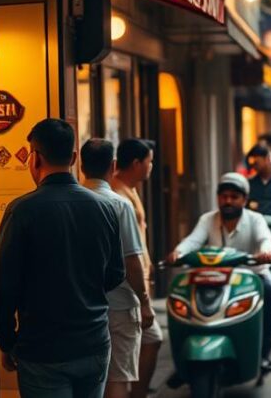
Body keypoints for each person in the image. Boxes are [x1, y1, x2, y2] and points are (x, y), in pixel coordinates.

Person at [0, 119, 125, 398]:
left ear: (35, 158)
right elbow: (116, 273)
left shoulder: (21, 211)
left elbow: (5, 284)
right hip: (94, 343)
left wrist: (6, 341)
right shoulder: (105, 208)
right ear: (74, 157)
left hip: (42, 349)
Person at [168, 173, 271, 371]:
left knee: (270, 291)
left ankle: (265, 352)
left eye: (234, 197)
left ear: (244, 200)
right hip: (213, 277)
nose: (228, 201)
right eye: (224, 196)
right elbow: (193, 241)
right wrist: (178, 252)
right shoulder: (207, 219)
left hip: (250, 277)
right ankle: (183, 361)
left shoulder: (256, 219)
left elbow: (266, 240)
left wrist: (266, 252)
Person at [80, 139, 153, 398]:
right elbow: (132, 260)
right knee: (118, 376)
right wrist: (144, 301)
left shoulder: (74, 202)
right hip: (120, 304)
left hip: (83, 306)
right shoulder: (119, 204)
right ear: (112, 166)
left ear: (80, 163)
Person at [111, 139, 162, 398]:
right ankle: (136, 394)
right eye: (149, 161)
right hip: (129, 289)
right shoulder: (119, 195)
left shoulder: (130, 189)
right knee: (149, 340)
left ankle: (136, 391)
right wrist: (142, 298)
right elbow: (129, 253)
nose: (151, 166)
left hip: (137, 284)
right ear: (136, 163)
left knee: (141, 344)